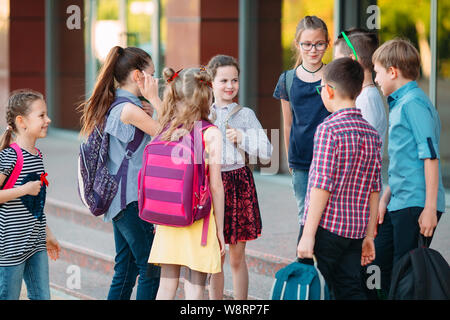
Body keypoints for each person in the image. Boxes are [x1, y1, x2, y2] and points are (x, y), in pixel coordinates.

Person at [78, 46, 161, 300]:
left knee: (125, 270)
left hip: (119, 201)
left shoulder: (122, 105)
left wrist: (148, 107)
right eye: (151, 74)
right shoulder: (129, 110)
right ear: (138, 76)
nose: (154, 80)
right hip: (130, 200)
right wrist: (156, 100)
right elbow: (168, 136)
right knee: (150, 268)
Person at [297, 58, 382, 300]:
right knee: (349, 289)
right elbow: (375, 188)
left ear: (330, 90)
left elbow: (322, 185)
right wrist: (368, 236)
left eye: (321, 88)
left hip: (325, 228)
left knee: (315, 289)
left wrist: (308, 234)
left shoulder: (329, 129)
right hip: (355, 232)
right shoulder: (371, 134)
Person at [371, 38, 446, 298]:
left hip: (416, 205)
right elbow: (406, 162)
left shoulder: (413, 104)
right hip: (398, 202)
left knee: (407, 276)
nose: (376, 79)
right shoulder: (400, 103)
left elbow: (431, 157)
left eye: (378, 72)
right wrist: (385, 198)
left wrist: (429, 209)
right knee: (379, 264)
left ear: (393, 71)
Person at [148, 67, 225, 300]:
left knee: (166, 287)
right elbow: (216, 186)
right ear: (206, 96)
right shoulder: (211, 134)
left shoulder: (165, 128)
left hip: (168, 219)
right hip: (198, 220)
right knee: (195, 289)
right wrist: (220, 230)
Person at [206, 54, 272, 300]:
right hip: (212, 186)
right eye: (223, 80)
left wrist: (243, 139)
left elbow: (268, 151)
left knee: (236, 255)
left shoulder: (245, 114)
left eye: (234, 80)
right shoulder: (204, 114)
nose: (230, 86)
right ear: (211, 82)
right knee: (216, 255)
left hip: (238, 182)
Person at [273, 16, 331, 243]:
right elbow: (288, 123)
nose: (313, 49)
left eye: (319, 44)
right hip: (301, 161)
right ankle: (305, 267)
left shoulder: (334, 76)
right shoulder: (287, 80)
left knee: (329, 216)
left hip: (329, 159)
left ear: (326, 43)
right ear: (297, 44)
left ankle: (326, 267)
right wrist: (289, 157)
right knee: (304, 213)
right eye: (307, 44)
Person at [0, 89, 61, 300]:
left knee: (42, 297)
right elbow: (25, 193)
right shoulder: (9, 156)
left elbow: (33, 204)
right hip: (9, 249)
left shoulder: (37, 156)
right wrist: (24, 189)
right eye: (42, 115)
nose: (48, 119)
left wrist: (47, 233)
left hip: (35, 244)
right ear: (21, 121)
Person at [334, 29, 387, 155]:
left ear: (352, 60)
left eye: (337, 59)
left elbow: (363, 149)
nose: (334, 64)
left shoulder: (366, 101)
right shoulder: (362, 96)